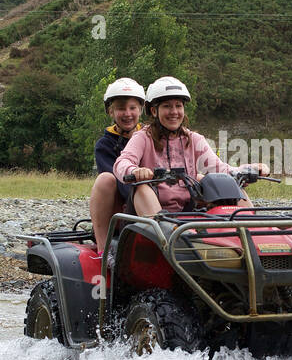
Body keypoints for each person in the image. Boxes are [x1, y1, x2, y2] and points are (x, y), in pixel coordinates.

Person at [114, 76, 268, 217]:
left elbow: (221, 169)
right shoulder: (142, 137)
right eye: (167, 106)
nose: (174, 112)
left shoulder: (194, 139)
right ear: (154, 111)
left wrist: (251, 169)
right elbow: (121, 163)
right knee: (142, 188)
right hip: (145, 215)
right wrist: (135, 171)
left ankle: (251, 234)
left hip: (187, 209)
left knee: (231, 185)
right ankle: (166, 238)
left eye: (178, 106)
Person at [89, 77, 146, 254]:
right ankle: (102, 249)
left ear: (141, 110)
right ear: (110, 112)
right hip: (123, 206)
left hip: (154, 202)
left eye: (132, 108)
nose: (127, 114)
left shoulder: (150, 137)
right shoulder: (105, 145)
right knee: (106, 179)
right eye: (121, 108)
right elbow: (119, 182)